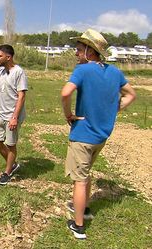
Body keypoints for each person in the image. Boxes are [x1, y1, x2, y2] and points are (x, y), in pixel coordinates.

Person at [61, 29, 136, 239]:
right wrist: (113, 109)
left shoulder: (82, 70)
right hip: (101, 137)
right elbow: (131, 94)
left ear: (89, 51)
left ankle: (79, 226)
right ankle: (83, 208)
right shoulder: (114, 72)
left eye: (78, 49)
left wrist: (69, 115)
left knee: (80, 180)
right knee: (85, 176)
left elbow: (65, 93)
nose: (76, 54)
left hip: (83, 135)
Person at [0, 44, 28, 185]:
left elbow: (21, 96)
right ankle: (12, 163)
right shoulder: (0, 71)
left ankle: (7, 173)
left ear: (8, 57)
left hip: (13, 116)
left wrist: (14, 117)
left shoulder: (18, 72)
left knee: (11, 144)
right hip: (1, 114)